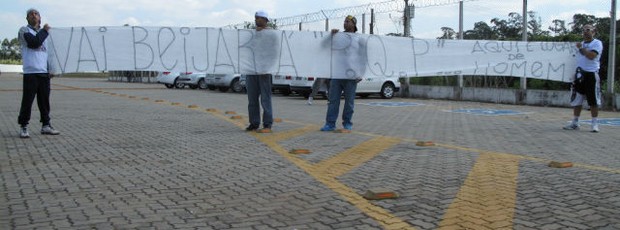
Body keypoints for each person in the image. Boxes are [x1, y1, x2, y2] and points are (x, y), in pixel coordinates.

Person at [17, 8, 60, 138]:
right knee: (27, 101)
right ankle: (24, 126)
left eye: (36, 14)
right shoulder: (24, 30)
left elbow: (49, 54)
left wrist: (52, 69)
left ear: (40, 18)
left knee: (44, 101)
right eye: (30, 14)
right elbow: (34, 43)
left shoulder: (46, 35)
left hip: (44, 73)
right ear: (27, 19)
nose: (33, 15)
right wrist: (45, 31)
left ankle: (46, 125)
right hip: (31, 72)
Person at [320, 15, 366, 132]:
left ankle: (347, 123)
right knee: (333, 100)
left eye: (347, 21)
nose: (344, 23)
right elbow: (323, 45)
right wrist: (331, 36)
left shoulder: (359, 39)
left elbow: (363, 57)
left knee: (349, 102)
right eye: (344, 21)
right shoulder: (338, 36)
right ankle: (330, 124)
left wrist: (361, 73)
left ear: (354, 24)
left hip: (351, 75)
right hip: (337, 74)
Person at [563, 24, 604, 133]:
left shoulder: (597, 43)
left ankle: (594, 124)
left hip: (591, 74)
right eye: (584, 30)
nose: (585, 32)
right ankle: (575, 122)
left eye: (588, 30)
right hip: (580, 74)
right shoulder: (580, 44)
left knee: (593, 100)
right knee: (577, 99)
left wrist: (581, 48)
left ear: (593, 31)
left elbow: (591, 56)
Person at [245, 10, 275, 133]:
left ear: (266, 20)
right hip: (251, 70)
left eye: (260, 18)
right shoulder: (251, 34)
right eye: (256, 18)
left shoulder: (271, 34)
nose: (257, 20)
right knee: (252, 99)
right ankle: (254, 123)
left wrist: (267, 66)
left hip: (264, 71)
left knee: (265, 99)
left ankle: (267, 124)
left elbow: (275, 51)